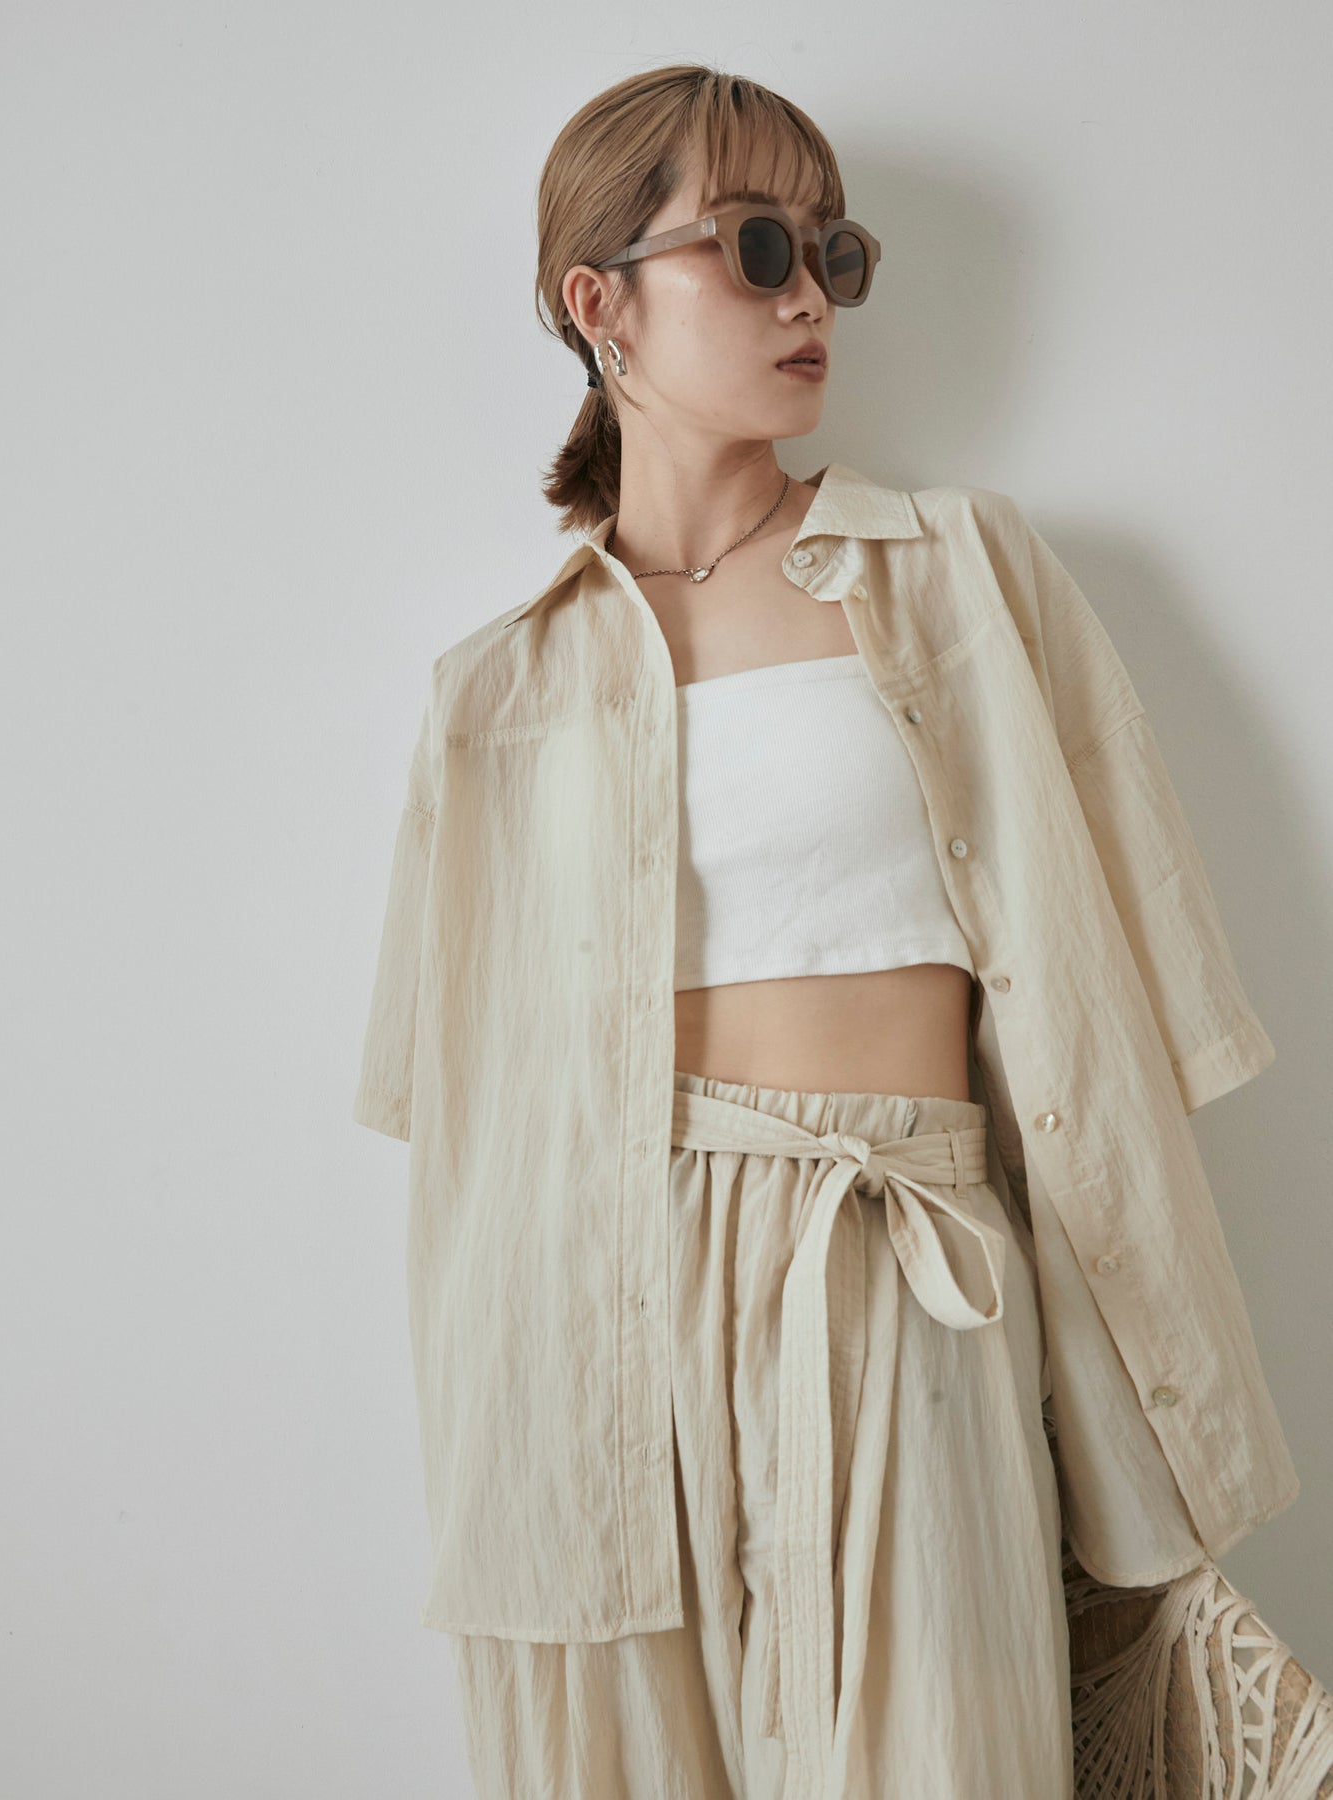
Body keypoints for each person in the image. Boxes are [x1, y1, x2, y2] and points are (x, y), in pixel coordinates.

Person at [353, 65, 1320, 1800]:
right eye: (755, 245)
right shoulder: (494, 689)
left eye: (834, 253)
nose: (809, 295)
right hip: (597, 1304)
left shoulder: (961, 572)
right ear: (598, 304)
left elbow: (1129, 983)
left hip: (900, 1253)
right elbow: (462, 1108)